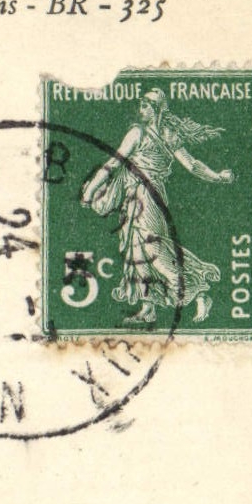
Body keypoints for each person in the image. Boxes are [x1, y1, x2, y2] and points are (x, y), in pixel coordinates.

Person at [80, 88, 233, 327]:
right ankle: (148, 308)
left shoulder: (143, 134)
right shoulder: (156, 133)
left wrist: (90, 191)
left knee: (152, 250)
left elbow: (190, 165)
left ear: (156, 110)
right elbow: (190, 165)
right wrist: (219, 177)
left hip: (146, 198)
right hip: (141, 197)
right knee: (137, 251)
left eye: (145, 106)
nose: (140, 110)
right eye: (140, 105)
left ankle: (197, 292)